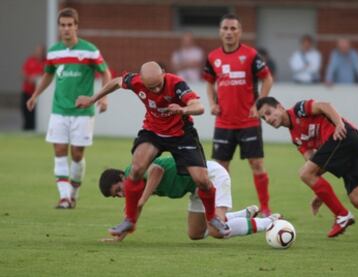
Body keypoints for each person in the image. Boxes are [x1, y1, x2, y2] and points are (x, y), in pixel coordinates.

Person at [76, 61, 229, 238]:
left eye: (158, 86)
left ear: (163, 73)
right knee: (136, 169)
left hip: (181, 133)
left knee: (202, 180)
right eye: (151, 87)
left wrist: (183, 109)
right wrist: (93, 98)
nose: (155, 91)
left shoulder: (177, 84)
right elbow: (116, 82)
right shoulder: (136, 81)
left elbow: (199, 107)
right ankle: (129, 219)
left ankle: (212, 217)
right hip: (153, 131)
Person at [256, 97, 358, 242]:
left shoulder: (299, 110)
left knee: (305, 173)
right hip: (350, 147)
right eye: (264, 118)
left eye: (269, 113)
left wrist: (339, 124)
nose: (268, 119)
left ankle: (342, 215)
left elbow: (325, 106)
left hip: (343, 137)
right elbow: (313, 165)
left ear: (280, 107)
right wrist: (321, 192)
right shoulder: (295, 137)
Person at [26, 8, 111, 209]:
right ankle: (64, 197)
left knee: (78, 155)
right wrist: (35, 95)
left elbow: (106, 72)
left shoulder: (89, 50)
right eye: (62, 25)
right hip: (59, 111)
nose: (66, 29)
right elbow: (48, 74)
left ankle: (73, 194)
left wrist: (104, 97)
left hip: (82, 112)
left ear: (76, 27)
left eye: (69, 25)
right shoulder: (54, 51)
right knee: (59, 150)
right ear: (59, 28)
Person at [99, 156, 281, 241]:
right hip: (195, 190)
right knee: (195, 234)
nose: (121, 195)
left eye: (119, 189)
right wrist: (119, 238)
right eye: (117, 195)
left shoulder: (133, 170)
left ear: (123, 177)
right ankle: (243, 213)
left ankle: (269, 223)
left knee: (217, 231)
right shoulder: (133, 189)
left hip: (210, 177)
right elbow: (134, 212)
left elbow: (157, 170)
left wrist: (142, 200)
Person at [203, 14, 274, 216]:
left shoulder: (251, 55)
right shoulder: (213, 57)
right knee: (220, 168)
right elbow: (209, 82)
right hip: (224, 122)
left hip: (248, 121)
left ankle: (266, 208)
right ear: (220, 31)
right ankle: (221, 209)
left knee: (257, 163)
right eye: (225, 28)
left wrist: (259, 103)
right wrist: (212, 103)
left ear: (240, 32)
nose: (229, 32)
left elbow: (267, 79)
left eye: (233, 28)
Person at [21, 45, 45, 130]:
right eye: (38, 51)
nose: (39, 53)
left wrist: (38, 77)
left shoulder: (45, 62)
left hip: (39, 94)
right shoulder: (30, 60)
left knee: (36, 114)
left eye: (41, 51)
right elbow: (23, 73)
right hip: (28, 91)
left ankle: (35, 129)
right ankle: (26, 129)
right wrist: (29, 78)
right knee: (26, 112)